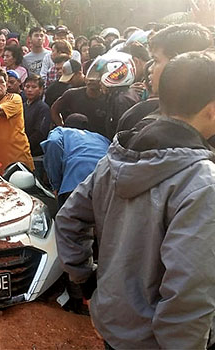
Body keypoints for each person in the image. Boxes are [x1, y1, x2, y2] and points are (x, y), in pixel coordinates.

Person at [55, 49, 215, 350]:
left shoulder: (115, 158)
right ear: (211, 109)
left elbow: (67, 219)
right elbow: (190, 290)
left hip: (114, 324)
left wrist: (86, 279)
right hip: (157, 341)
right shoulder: (201, 182)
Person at [116, 23, 213, 132]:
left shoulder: (151, 130)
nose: (150, 68)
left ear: (180, 62)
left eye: (156, 61)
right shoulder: (141, 120)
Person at [41, 114, 110, 208]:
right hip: (106, 183)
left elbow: (53, 142)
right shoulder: (100, 138)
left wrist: (56, 184)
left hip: (75, 182)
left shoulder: (61, 131)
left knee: (71, 220)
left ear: (65, 124)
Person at [86, 51, 141, 138]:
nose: (100, 82)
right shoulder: (123, 95)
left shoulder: (121, 101)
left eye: (102, 77)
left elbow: (121, 135)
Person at [22, 74, 50, 157]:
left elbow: (40, 133)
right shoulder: (22, 106)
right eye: (27, 86)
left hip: (35, 152)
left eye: (34, 87)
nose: (29, 90)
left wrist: (25, 146)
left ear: (41, 90)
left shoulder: (43, 108)